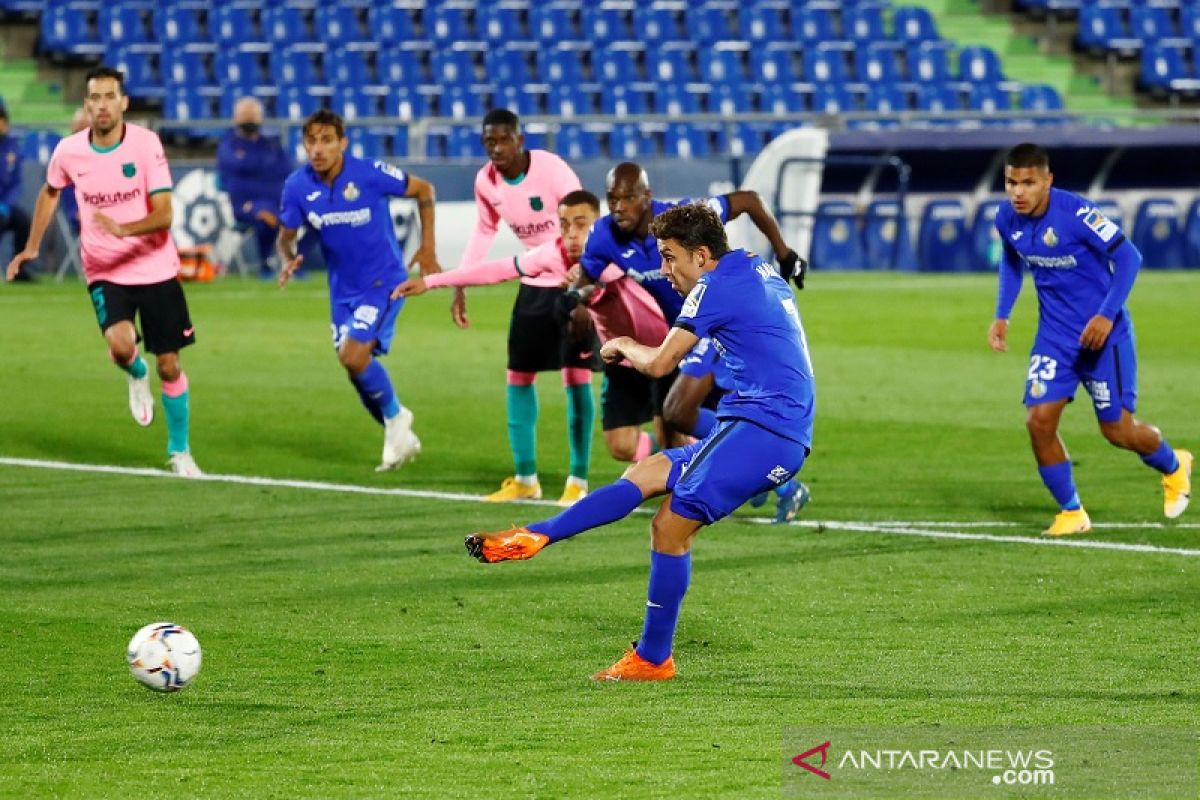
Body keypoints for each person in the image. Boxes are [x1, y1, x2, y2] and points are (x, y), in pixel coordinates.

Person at [466, 202, 816, 681]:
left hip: (765, 430)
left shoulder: (714, 286)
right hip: (765, 427)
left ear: (700, 255)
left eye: (671, 257)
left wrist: (623, 344)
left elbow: (656, 364)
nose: (665, 270)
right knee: (646, 473)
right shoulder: (752, 267)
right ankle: (537, 534)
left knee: (669, 528)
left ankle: (653, 658)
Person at [4, 66, 202, 476]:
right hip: (105, 270)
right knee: (120, 347)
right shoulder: (69, 151)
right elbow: (50, 190)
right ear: (86, 106)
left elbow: (164, 214)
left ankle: (180, 452)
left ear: (124, 103)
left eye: (110, 96)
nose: (102, 105)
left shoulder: (147, 146)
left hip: (156, 268)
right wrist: (31, 247)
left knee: (171, 365)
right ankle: (135, 372)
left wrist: (125, 228)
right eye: (94, 98)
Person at [988, 143, 1191, 535]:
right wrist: (1002, 314)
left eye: (1028, 183)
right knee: (1039, 421)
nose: (1018, 192)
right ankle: (1072, 512)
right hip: (1055, 338)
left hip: (1104, 337)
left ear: (1048, 181)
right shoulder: (1005, 218)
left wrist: (1106, 314)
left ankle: (1174, 464)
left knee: (1118, 432)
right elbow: (1011, 262)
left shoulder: (1077, 214)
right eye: (1011, 182)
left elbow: (1129, 256)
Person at [574, 162, 805, 458]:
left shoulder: (684, 221)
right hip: (679, 331)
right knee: (672, 429)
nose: (619, 207)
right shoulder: (604, 236)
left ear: (647, 195)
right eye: (612, 198)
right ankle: (750, 467)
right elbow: (585, 278)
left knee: (679, 411)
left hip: (712, 325)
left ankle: (757, 458)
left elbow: (748, 200)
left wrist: (785, 255)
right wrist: (576, 299)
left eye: (628, 197)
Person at [276, 109, 440, 471]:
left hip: (383, 280)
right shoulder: (297, 187)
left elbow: (424, 189)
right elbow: (285, 237)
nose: (317, 149)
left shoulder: (369, 173)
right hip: (342, 292)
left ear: (342, 143)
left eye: (326, 140)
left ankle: (397, 421)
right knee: (354, 368)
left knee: (352, 356)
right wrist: (288, 257)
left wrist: (428, 248)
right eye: (311, 141)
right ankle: (398, 428)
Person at [454, 108, 597, 505]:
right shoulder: (486, 180)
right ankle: (525, 478)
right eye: (489, 142)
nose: (496, 148)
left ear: (520, 139)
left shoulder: (552, 170)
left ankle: (578, 481)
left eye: (503, 140)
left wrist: (586, 283)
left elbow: (585, 223)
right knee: (518, 375)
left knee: (575, 377)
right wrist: (463, 278)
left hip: (571, 285)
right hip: (533, 284)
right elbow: (485, 228)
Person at [663, 336, 811, 524]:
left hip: (716, 330)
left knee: (681, 411)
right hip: (685, 329)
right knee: (678, 416)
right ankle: (766, 478)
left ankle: (780, 483)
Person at [216, 96, 293, 278]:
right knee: (265, 217)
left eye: (253, 116)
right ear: (236, 119)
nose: (250, 121)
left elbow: (285, 168)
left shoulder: (271, 143)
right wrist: (263, 165)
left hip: (275, 201)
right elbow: (234, 168)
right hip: (244, 204)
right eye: (246, 117)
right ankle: (265, 263)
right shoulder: (228, 145)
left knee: (309, 217)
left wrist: (250, 163)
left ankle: (294, 263)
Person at [0, 101, 35, 281]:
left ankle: (18, 269)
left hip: (5, 205)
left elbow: (16, 182)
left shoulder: (12, 147)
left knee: (24, 222)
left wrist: (5, 205)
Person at [57, 107, 89, 235]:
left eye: (86, 128)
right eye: (78, 128)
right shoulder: (66, 161)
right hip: (79, 213)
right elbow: (69, 200)